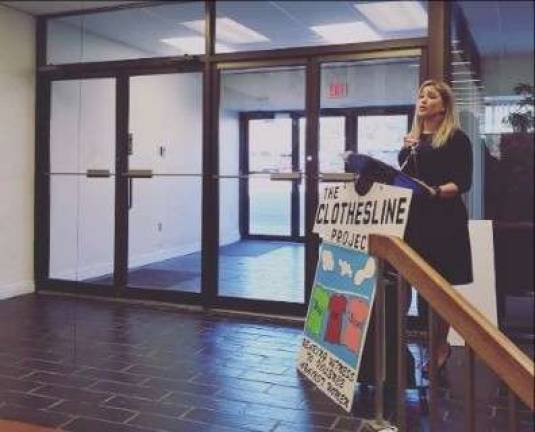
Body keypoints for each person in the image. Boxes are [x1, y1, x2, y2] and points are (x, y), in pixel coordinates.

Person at [398, 79, 473, 374]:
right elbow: (405, 177)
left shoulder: (456, 138)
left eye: (431, 96)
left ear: (444, 105)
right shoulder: (412, 141)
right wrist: (407, 152)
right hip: (413, 222)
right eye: (420, 95)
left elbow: (463, 182)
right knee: (406, 286)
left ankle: (439, 347)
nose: (423, 100)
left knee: (437, 290)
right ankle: (399, 346)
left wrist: (436, 191)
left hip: (444, 222)